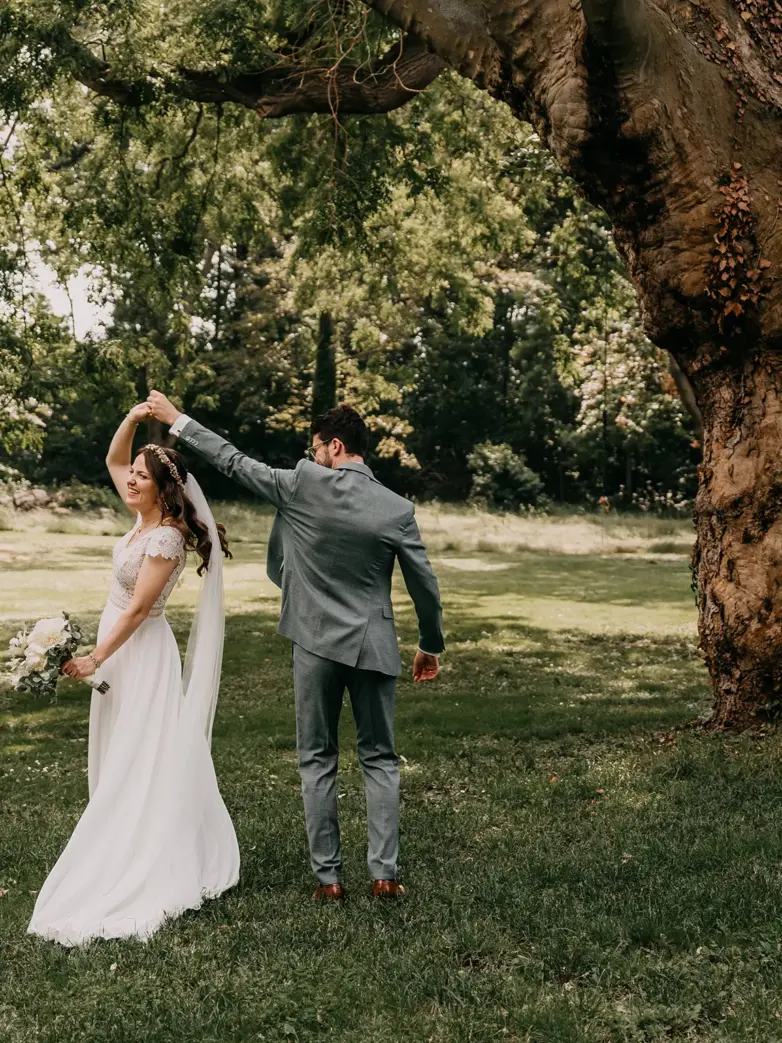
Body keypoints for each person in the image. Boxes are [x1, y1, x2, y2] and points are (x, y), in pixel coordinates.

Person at [147, 391, 444, 901]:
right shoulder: (397, 509)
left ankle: (328, 881)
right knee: (379, 758)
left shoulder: (302, 485)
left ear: (333, 446)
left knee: (317, 758)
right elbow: (424, 584)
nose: (312, 458)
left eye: (315, 449)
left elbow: (233, 460)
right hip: (373, 644)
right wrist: (429, 644)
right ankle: (384, 875)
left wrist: (178, 422)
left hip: (312, 642)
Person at [28, 403, 239, 946]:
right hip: (118, 644)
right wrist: (131, 416)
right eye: (132, 475)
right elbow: (113, 455)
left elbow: (140, 610)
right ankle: (119, 827)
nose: (129, 481)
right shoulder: (140, 519)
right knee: (120, 743)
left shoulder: (166, 537)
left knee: (140, 751)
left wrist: (96, 658)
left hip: (139, 652)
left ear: (160, 488)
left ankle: (139, 844)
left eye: (141, 478)